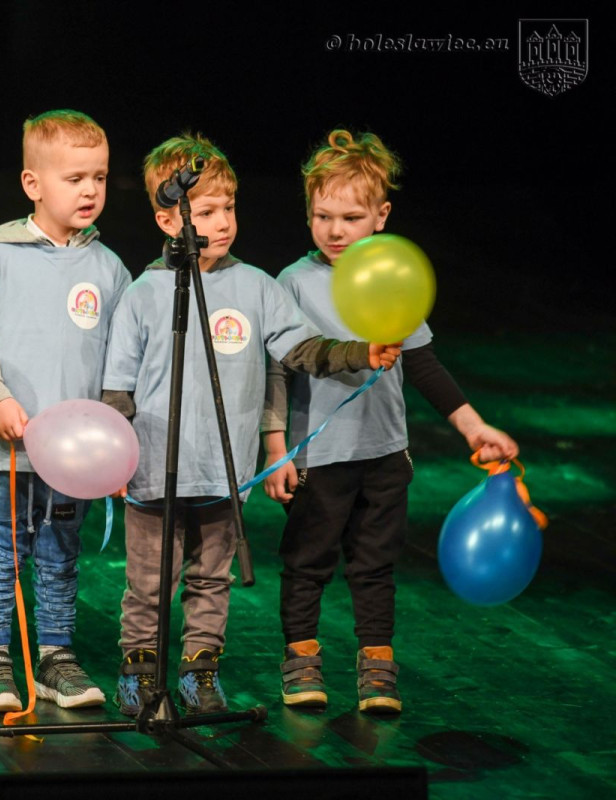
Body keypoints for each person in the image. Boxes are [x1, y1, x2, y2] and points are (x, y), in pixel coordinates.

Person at [103, 134, 399, 717]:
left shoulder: (258, 287)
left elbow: (302, 349)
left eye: (229, 208)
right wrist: (114, 458)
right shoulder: (143, 294)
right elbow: (118, 390)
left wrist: (358, 353)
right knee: (149, 582)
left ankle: (200, 672)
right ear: (168, 219)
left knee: (212, 579)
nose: (223, 222)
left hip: (223, 473)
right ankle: (139, 672)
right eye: (207, 210)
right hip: (154, 473)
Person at [262, 130, 519, 714]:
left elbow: (423, 362)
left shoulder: (392, 277)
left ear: (381, 216)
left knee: (374, 566)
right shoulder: (293, 282)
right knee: (307, 562)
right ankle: (301, 660)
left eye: (351, 217)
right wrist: (276, 449)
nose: (335, 230)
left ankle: (377, 664)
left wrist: (473, 427)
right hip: (318, 457)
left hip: (383, 453)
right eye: (322, 216)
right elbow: (275, 369)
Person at [0, 109, 132, 713]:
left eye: (99, 177)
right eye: (74, 178)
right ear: (33, 184)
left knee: (59, 551)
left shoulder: (108, 268)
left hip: (75, 455)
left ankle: (55, 657)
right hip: (8, 447)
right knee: (1, 550)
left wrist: (114, 434)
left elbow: (123, 357)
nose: (90, 190)